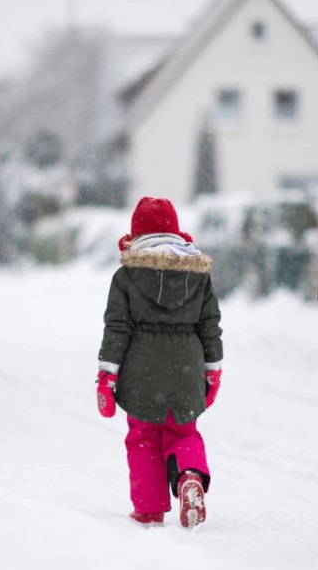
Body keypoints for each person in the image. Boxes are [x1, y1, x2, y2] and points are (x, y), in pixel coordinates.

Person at [96, 196, 224, 529]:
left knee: (143, 437)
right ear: (176, 231)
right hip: (187, 368)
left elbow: (117, 328)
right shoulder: (198, 276)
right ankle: (189, 477)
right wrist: (213, 370)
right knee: (184, 432)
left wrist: (107, 375)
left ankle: (150, 508)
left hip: (142, 370)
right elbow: (210, 324)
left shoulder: (126, 277)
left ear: (136, 233)